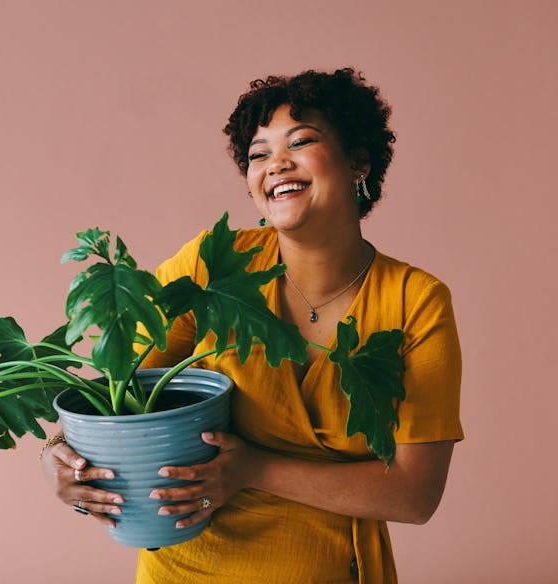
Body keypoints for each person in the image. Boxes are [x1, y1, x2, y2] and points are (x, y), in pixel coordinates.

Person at [40, 68, 463, 583]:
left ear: (359, 160)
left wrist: (251, 470)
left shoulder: (416, 302)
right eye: (258, 154)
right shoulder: (213, 263)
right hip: (184, 567)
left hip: (327, 569)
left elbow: (415, 494)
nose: (275, 164)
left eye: (301, 141)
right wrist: (60, 460)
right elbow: (120, 392)